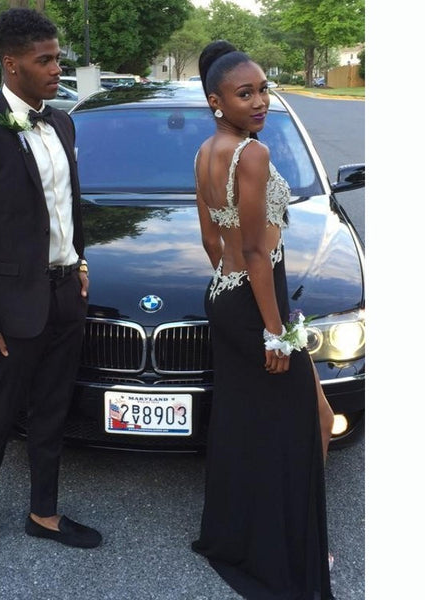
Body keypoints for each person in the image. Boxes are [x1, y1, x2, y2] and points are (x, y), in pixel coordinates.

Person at [0, 7, 102, 562]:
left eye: (58, 58)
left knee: (53, 409)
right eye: (46, 60)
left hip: (64, 296)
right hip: (11, 309)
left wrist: (80, 262)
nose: (58, 68)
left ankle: (43, 513)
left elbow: (68, 205)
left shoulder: (62, 123)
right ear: (12, 65)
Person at [191, 40, 335, 599]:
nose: (259, 102)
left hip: (227, 296)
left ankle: (248, 536)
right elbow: (256, 251)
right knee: (308, 422)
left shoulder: (206, 152)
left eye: (263, 90)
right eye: (244, 94)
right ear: (217, 101)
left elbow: (212, 239)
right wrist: (274, 332)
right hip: (258, 302)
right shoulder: (252, 154)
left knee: (247, 424)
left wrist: (235, 296)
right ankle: (289, 550)